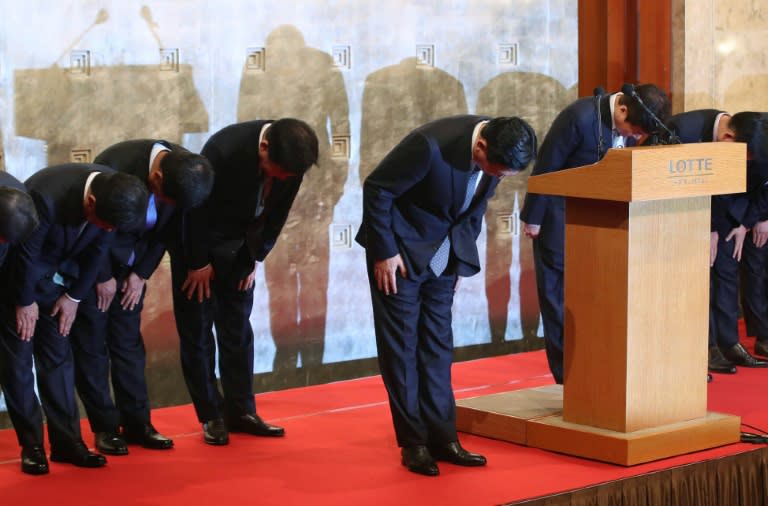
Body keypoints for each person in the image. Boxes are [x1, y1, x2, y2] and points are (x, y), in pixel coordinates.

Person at [356, 115, 537, 476]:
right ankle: (414, 443)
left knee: (438, 347)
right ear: (480, 147)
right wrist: (383, 251)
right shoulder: (430, 145)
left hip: (443, 257)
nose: (497, 178)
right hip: (400, 256)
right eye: (496, 171)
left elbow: (472, 210)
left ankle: (443, 438)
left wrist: (458, 261)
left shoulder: (495, 154)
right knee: (402, 350)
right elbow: (377, 188)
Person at [167, 118, 318, 445]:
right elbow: (195, 209)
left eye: (287, 176)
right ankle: (211, 416)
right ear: (264, 148)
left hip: (240, 251)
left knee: (237, 329)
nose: (281, 179)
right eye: (276, 171)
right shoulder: (223, 149)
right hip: (199, 248)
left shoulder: (292, 160)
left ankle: (241, 411)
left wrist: (255, 258)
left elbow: (276, 215)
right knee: (199, 332)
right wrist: (198, 262)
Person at [68, 141, 214, 456]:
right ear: (157, 178)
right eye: (162, 197)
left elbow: (167, 231)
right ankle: (105, 428)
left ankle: (138, 424)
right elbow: (95, 225)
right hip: (97, 267)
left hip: (135, 268)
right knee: (92, 346)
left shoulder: (186, 171)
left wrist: (141, 274)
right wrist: (102, 275)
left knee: (129, 344)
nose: (162, 203)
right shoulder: (115, 163)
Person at [0, 164, 148, 475]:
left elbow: (98, 250)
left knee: (59, 360)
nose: (107, 230)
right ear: (90, 203)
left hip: (57, 286)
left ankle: (67, 443)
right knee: (18, 365)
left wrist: (74, 297)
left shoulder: (114, 193)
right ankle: (32, 447)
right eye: (104, 224)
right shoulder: (45, 195)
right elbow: (26, 255)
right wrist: (24, 302)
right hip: (18, 287)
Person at [520, 84, 671, 384]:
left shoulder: (627, 122)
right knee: (559, 305)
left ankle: (596, 375)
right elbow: (547, 168)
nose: (632, 137)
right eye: (632, 130)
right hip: (558, 222)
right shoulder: (578, 117)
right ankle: (567, 380)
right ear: (623, 109)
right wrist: (534, 218)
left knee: (596, 305)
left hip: (601, 228)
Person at [666, 110, 768, 375]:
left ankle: (728, 341)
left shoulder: (752, 137)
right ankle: (705, 346)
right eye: (745, 155)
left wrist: (741, 224)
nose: (746, 161)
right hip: (685, 217)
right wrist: (706, 227)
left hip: (728, 214)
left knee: (727, 271)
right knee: (702, 280)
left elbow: (753, 185)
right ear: (727, 136)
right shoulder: (684, 130)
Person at [731, 114, 768, 359]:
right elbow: (759, 182)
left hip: (760, 205)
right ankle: (763, 336)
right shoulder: (756, 130)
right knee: (754, 268)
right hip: (747, 204)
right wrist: (756, 219)